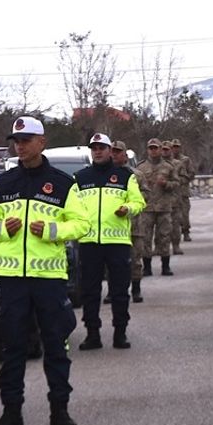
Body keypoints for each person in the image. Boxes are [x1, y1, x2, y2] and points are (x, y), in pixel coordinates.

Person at [0, 116, 89, 425]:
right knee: (13, 348)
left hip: (49, 280)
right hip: (12, 280)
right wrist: (1, 228)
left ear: (42, 142)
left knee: (56, 345)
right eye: (16, 141)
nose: (20, 146)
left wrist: (53, 230)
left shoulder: (63, 183)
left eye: (26, 140)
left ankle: (60, 412)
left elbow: (81, 224)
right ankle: (12, 413)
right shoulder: (3, 183)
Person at [73, 133, 146, 351]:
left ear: (109, 150)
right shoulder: (80, 177)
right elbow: (72, 207)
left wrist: (128, 208)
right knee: (90, 291)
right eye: (94, 148)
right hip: (89, 243)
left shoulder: (125, 176)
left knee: (119, 291)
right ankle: (92, 333)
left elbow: (138, 201)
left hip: (117, 242)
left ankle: (120, 332)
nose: (98, 151)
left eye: (102, 148)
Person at [133, 138, 178, 278]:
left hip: (164, 207)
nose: (153, 151)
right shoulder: (140, 168)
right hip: (147, 208)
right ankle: (147, 267)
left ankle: (166, 266)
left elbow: (177, 183)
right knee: (146, 238)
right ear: (147, 150)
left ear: (160, 149)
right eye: (151, 148)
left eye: (156, 148)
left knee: (164, 236)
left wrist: (167, 184)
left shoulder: (169, 167)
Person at [113, 140, 147, 303]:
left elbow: (146, 196)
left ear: (125, 155)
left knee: (135, 259)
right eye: (112, 151)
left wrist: (130, 203)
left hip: (135, 226)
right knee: (113, 262)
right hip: (113, 227)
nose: (114, 155)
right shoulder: (105, 175)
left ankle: (136, 289)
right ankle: (113, 290)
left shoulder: (137, 175)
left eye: (118, 152)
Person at [170, 138, 194, 245]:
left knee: (184, 214)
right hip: (171, 192)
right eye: (173, 147)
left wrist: (183, 179)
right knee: (172, 215)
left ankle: (186, 232)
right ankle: (173, 234)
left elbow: (191, 173)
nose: (175, 149)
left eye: (177, 147)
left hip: (183, 191)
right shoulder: (166, 160)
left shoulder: (185, 160)